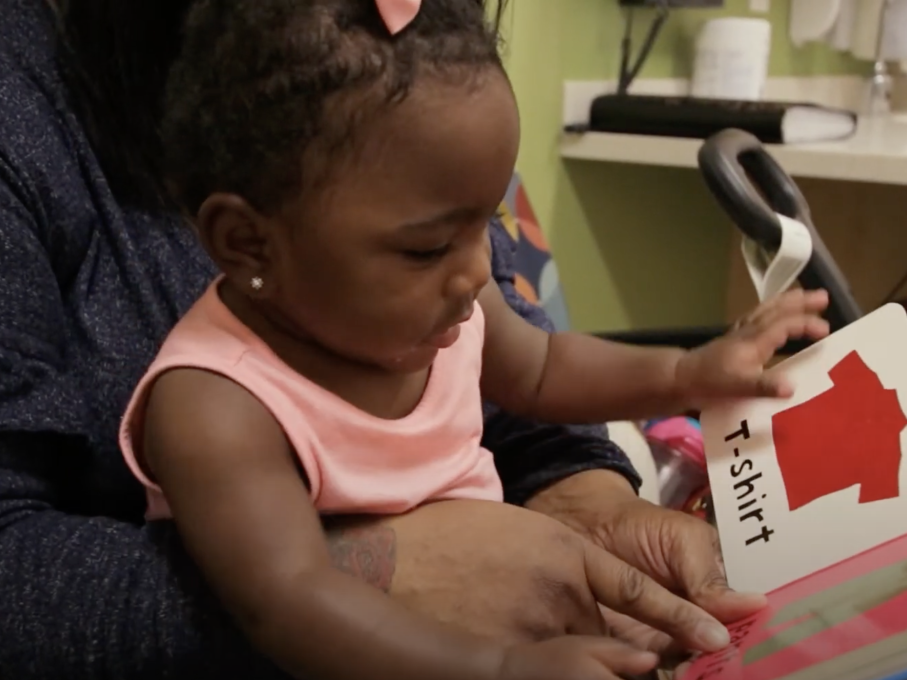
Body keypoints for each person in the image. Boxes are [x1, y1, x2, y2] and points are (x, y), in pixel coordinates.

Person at [0, 0, 779, 677]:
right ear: (246, 243)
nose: (479, 270)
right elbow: (289, 604)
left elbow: (545, 370)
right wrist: (498, 667)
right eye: (428, 247)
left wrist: (688, 373)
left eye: (487, 223)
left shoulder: (433, 300)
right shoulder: (214, 407)